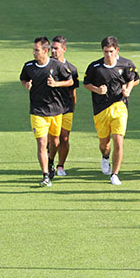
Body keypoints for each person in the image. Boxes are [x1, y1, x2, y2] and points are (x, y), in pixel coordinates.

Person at [83, 36, 140, 186]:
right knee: (104, 144)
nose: (108, 55)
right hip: (101, 109)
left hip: (120, 107)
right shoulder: (95, 67)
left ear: (117, 50)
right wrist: (97, 89)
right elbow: (86, 83)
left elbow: (134, 79)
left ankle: (114, 174)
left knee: (118, 140)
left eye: (111, 51)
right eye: (106, 51)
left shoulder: (126, 64)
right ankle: (105, 157)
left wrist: (128, 89)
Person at [20, 37, 74, 187]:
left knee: (54, 142)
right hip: (37, 111)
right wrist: (27, 84)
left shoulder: (57, 66)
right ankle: (45, 175)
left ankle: (51, 161)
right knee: (41, 143)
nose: (33, 53)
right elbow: (23, 79)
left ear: (45, 50)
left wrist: (56, 84)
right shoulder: (29, 66)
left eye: (36, 50)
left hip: (56, 111)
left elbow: (70, 81)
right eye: (33, 50)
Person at [48, 36, 79, 177]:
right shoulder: (45, 65)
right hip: (49, 108)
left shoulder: (71, 69)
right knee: (52, 139)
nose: (53, 51)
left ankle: (60, 165)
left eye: (56, 48)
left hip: (66, 108)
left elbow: (73, 92)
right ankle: (50, 162)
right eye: (51, 48)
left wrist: (72, 108)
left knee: (64, 138)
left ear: (64, 49)